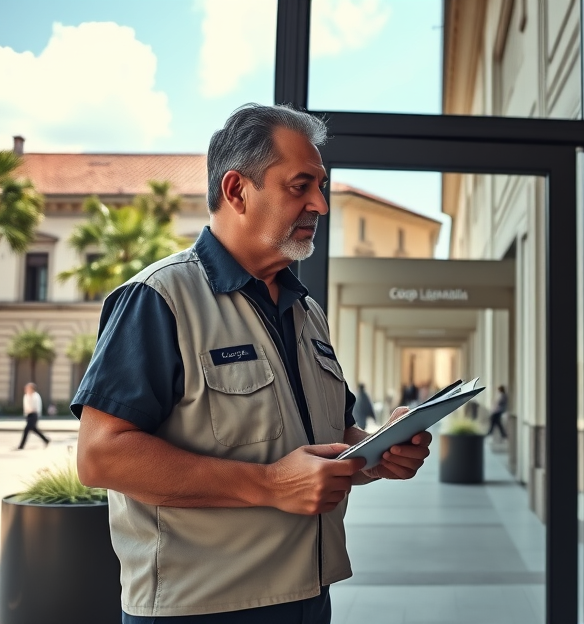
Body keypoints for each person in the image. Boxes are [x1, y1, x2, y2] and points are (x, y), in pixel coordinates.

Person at [72, 104, 432, 623]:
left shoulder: (306, 313)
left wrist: (378, 453)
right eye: (300, 186)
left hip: (310, 598)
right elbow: (100, 457)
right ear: (237, 190)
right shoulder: (160, 298)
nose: (320, 205)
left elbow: (328, 443)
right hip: (201, 608)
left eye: (321, 186)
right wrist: (267, 484)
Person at [18, 383, 49, 449]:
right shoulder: (26, 396)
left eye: (28, 388)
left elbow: (37, 407)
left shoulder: (36, 396)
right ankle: (46, 440)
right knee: (34, 429)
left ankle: (21, 446)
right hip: (28, 415)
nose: (26, 389)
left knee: (26, 430)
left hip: (34, 415)